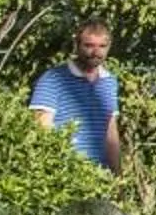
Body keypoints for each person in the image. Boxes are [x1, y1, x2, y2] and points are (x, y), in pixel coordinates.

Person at [30, 19, 124, 172]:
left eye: (102, 46)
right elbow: (41, 130)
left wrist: (118, 176)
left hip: (100, 176)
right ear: (77, 45)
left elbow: (111, 133)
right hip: (65, 175)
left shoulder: (109, 82)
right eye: (89, 46)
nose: (95, 52)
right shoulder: (54, 79)